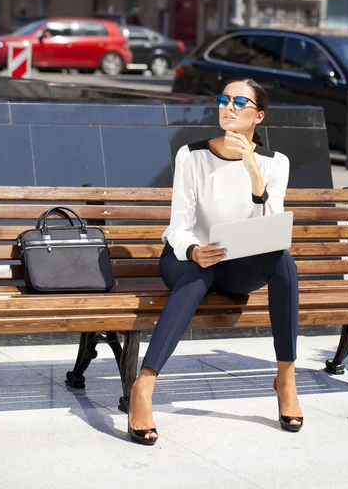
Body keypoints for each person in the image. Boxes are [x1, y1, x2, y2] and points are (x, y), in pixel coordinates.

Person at [128, 79, 303, 445]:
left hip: (237, 265)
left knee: (283, 262)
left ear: (258, 115)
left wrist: (254, 173)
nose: (229, 106)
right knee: (197, 271)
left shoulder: (275, 164)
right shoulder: (192, 156)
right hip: (186, 260)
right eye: (224, 99)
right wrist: (194, 250)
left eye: (240, 101)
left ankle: (286, 377)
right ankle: (143, 387)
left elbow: (271, 228)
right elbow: (179, 226)